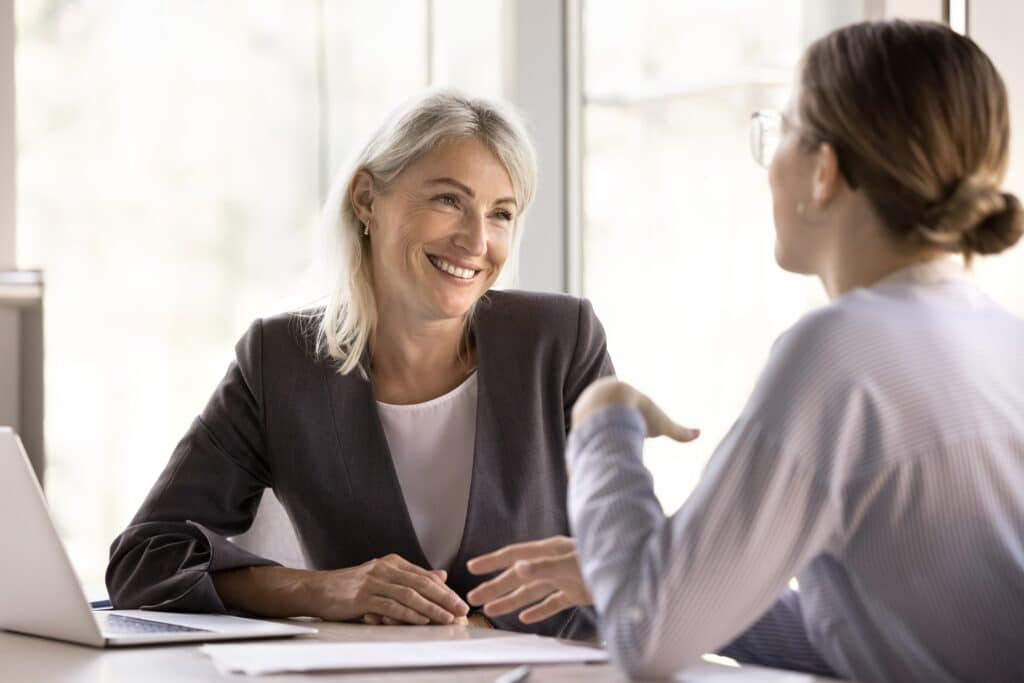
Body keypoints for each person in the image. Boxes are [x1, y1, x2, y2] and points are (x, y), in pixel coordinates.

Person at [558, 20, 1024, 681]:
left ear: (824, 171)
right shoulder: (1004, 339)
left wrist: (603, 415)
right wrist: (692, 573)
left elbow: (647, 637)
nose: (770, 159)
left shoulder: (841, 352)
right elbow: (870, 635)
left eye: (781, 130)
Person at [106, 90, 613, 640]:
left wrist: (487, 623)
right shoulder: (280, 363)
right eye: (449, 200)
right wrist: (324, 590)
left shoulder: (561, 341)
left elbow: (633, 560)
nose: (476, 240)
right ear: (367, 198)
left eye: (501, 214)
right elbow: (146, 561)